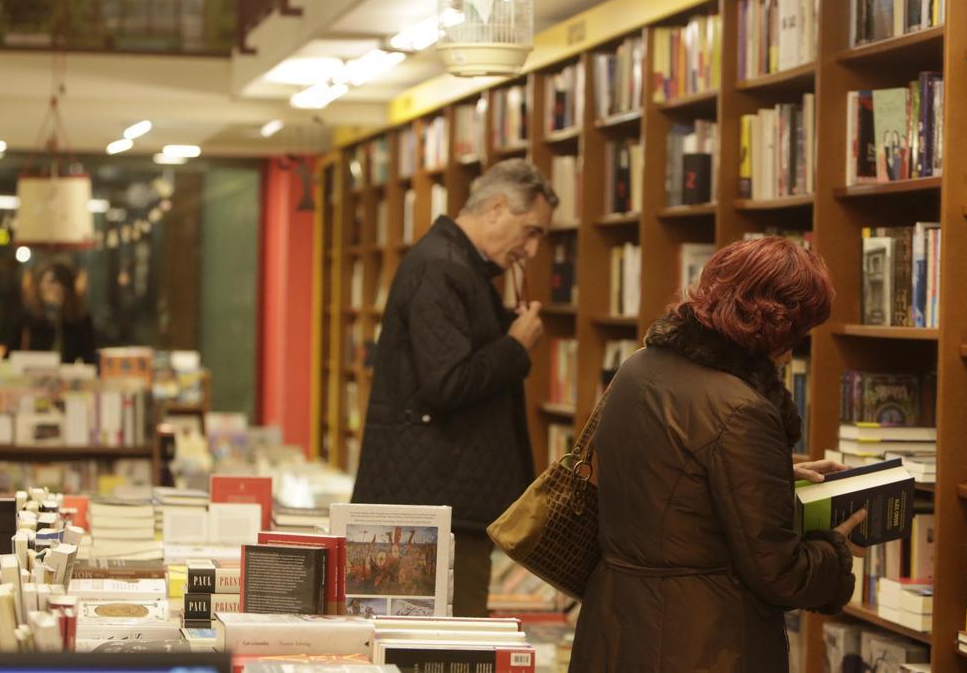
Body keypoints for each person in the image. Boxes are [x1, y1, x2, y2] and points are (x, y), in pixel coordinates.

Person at [569, 237, 865, 672]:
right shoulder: (741, 408)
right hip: (701, 641)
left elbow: (670, 475)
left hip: (616, 623)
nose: (795, 348)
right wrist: (837, 547)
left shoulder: (640, 366)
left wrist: (776, 474)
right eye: (800, 331)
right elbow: (779, 572)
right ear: (777, 325)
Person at [351, 158, 557, 617]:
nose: (532, 249)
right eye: (531, 231)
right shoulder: (442, 267)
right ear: (497, 208)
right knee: (445, 651)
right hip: (433, 510)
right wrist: (515, 347)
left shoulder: (456, 265)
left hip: (439, 500)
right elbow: (445, 383)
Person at [6, 260, 97, 364]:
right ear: (39, 285)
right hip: (31, 375)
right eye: (50, 282)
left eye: (60, 283)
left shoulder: (79, 319)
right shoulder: (26, 317)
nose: (55, 288)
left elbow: (89, 358)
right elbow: (9, 356)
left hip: (66, 376)